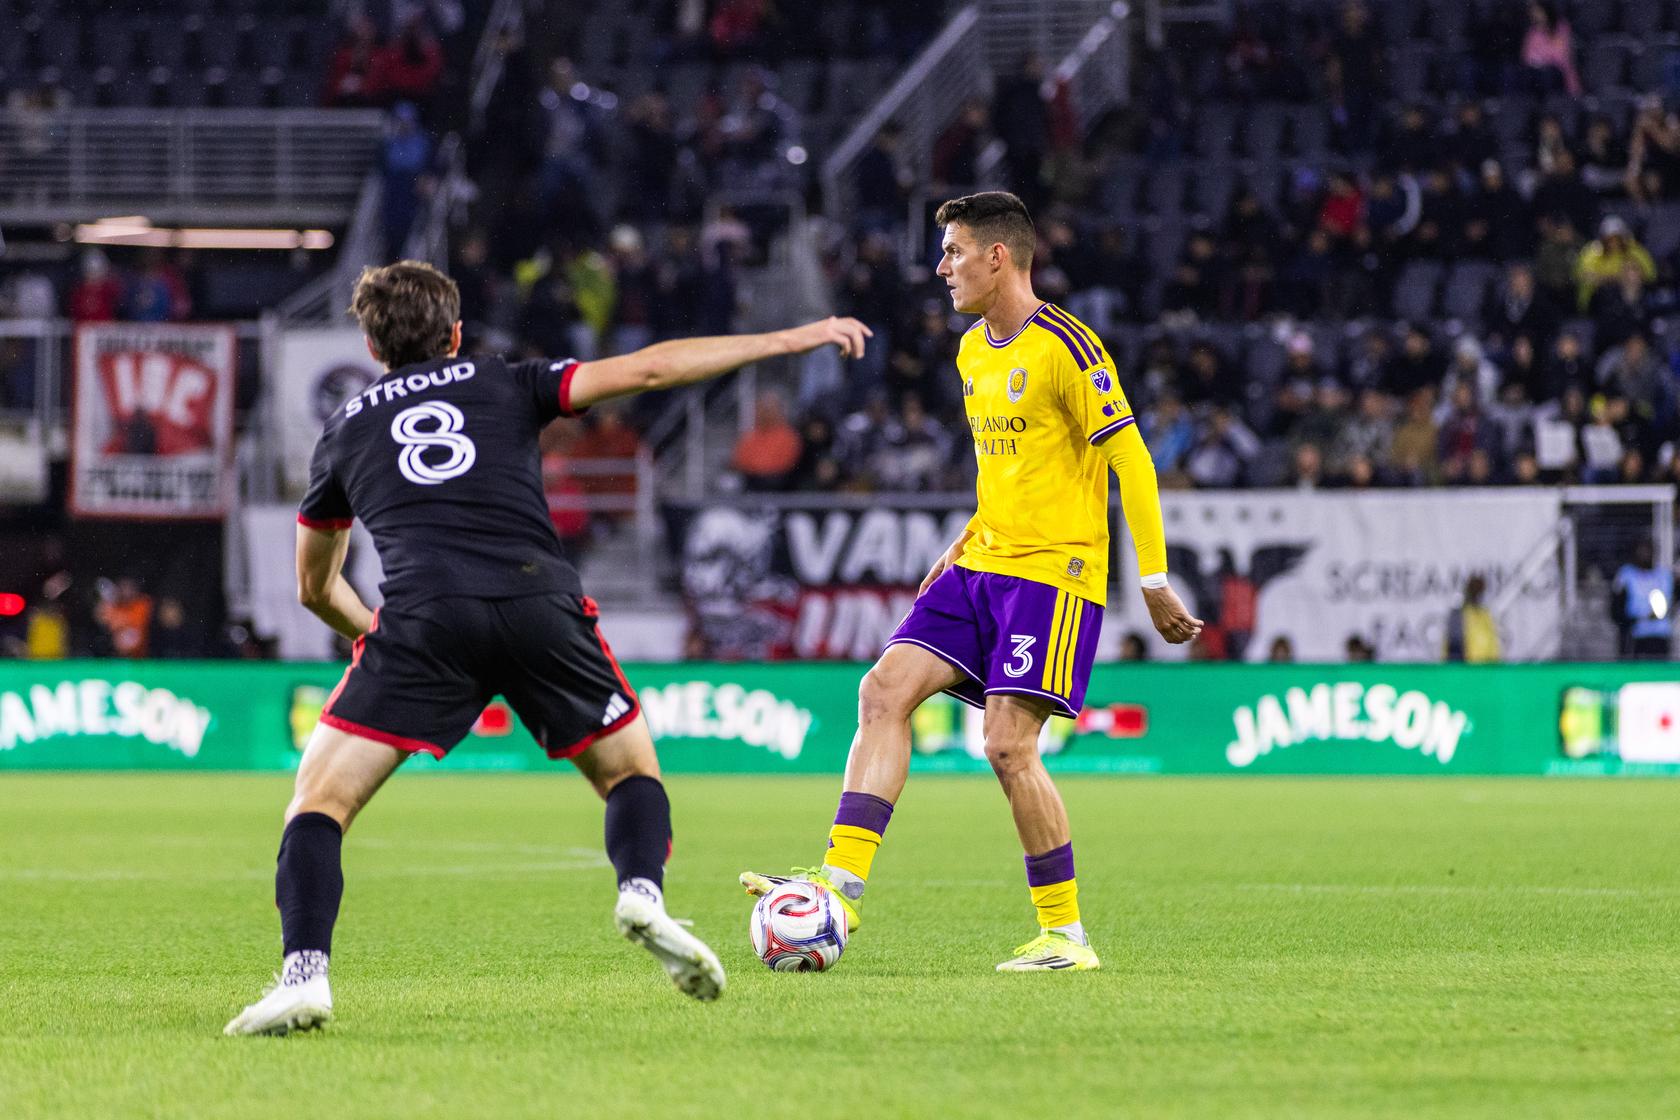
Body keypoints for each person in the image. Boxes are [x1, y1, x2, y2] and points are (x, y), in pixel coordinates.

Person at [225, 260, 871, 1035]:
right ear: (456, 334)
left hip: (424, 615)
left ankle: (304, 977)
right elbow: (653, 368)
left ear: (370, 344)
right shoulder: (505, 380)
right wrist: (792, 337)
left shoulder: (345, 431)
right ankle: (641, 893)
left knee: (320, 804)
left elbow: (314, 588)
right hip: (539, 602)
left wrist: (385, 637)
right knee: (630, 770)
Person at [740, 192, 1201, 973]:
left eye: (953, 251)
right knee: (882, 692)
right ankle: (839, 885)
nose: (941, 266)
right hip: (980, 562)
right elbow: (1008, 466)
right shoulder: (970, 351)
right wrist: (960, 539)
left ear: (999, 256)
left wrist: (1151, 577)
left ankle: (1065, 936)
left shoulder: (1069, 346)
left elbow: (1133, 461)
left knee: (1007, 746)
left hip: (1053, 574)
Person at [1611, 541, 1675, 659]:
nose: (1645, 555)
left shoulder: (1664, 576)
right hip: (1637, 635)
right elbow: (1616, 607)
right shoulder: (1627, 575)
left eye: (1648, 551)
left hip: (1660, 635)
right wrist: (1633, 621)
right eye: (1642, 551)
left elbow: (1672, 600)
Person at [1443, 574, 1501, 662]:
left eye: (1480, 590)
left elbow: (1492, 643)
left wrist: (1494, 663)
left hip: (1486, 666)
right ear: (1468, 590)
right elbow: (1453, 646)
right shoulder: (1458, 614)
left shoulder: (1485, 614)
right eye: (1474, 589)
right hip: (1464, 666)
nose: (1477, 594)